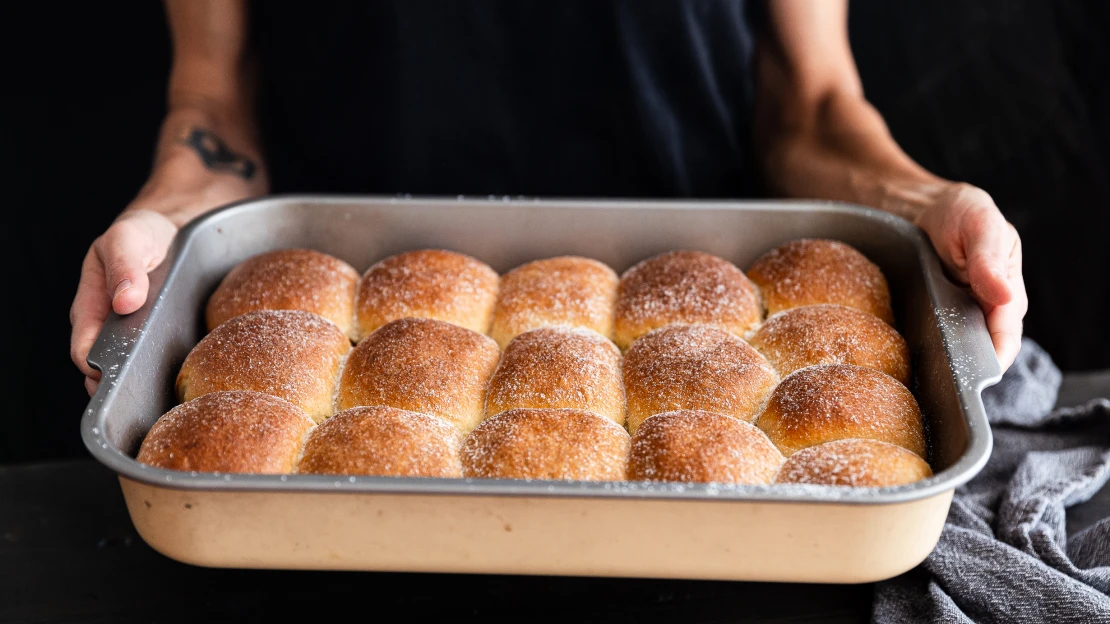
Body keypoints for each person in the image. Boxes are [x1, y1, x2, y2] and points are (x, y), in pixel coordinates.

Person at [69, 0, 1026, 394]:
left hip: (709, 327)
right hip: (341, 311)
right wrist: (167, 222)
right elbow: (212, 112)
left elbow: (813, 107)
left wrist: (926, 203)